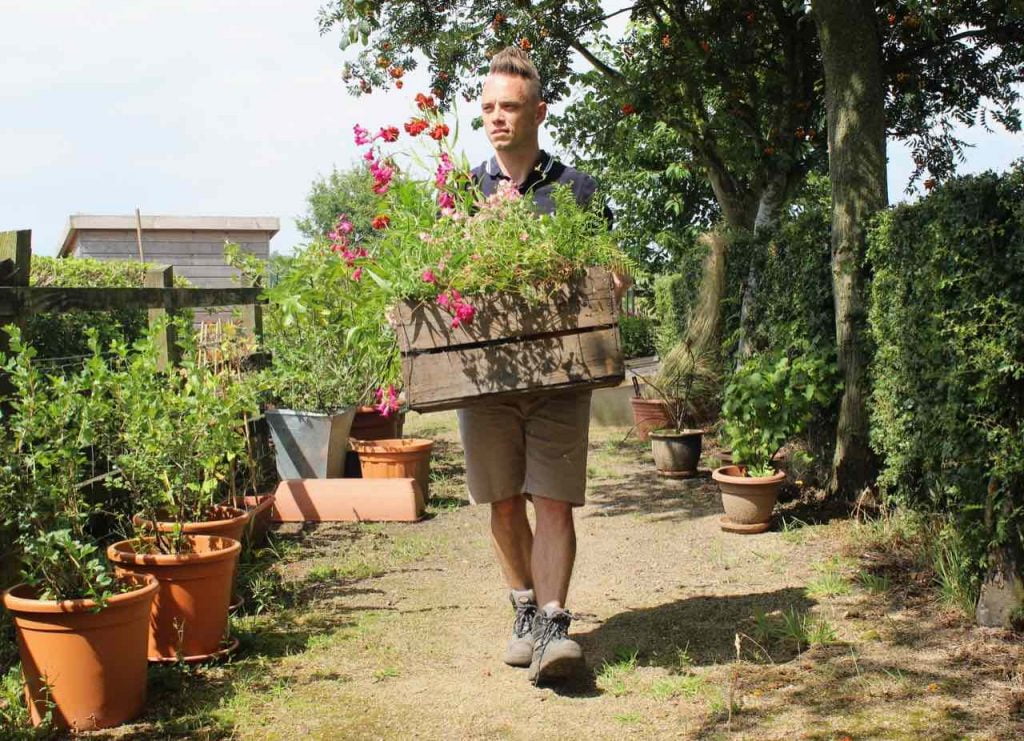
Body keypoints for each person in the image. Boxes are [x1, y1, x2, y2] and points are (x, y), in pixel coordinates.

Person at [460, 46, 627, 685]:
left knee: (553, 501)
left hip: (560, 373)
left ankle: (555, 626)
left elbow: (612, 270)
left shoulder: (577, 189)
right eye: (488, 108)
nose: (497, 118)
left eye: (510, 107)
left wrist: (612, 277)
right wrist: (479, 235)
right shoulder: (461, 192)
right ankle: (524, 611)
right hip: (485, 379)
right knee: (503, 502)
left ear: (539, 111)